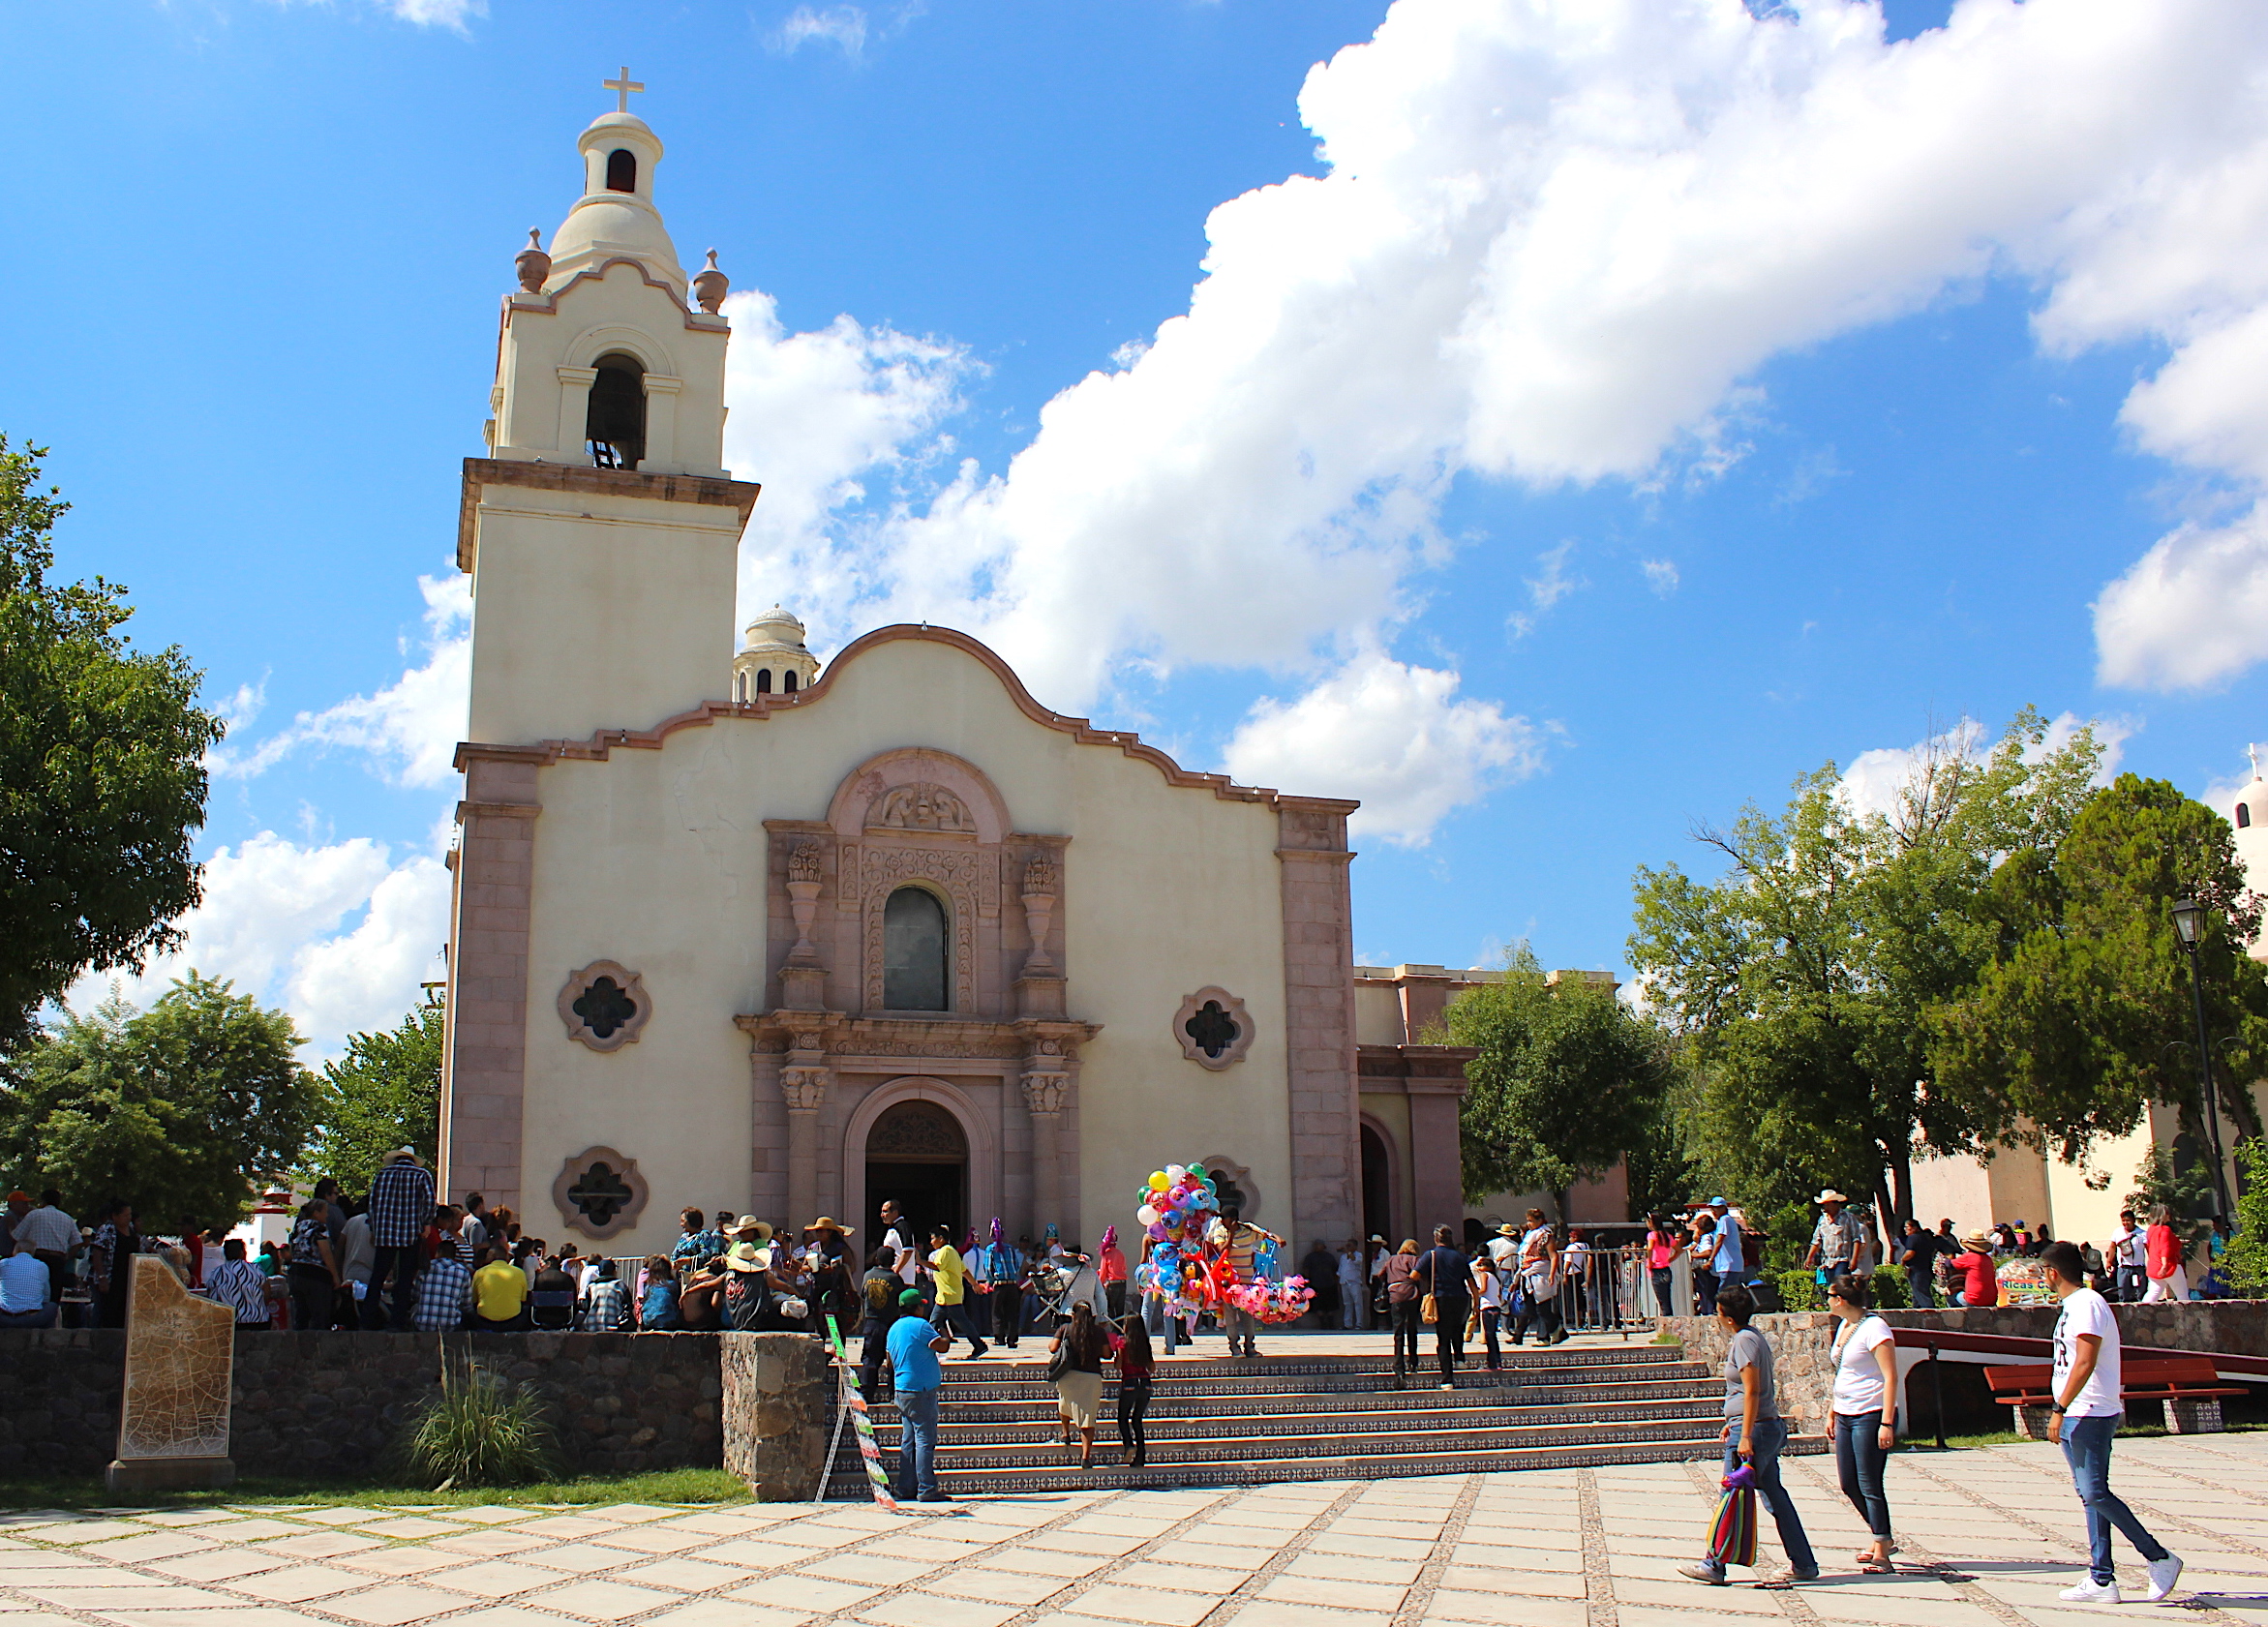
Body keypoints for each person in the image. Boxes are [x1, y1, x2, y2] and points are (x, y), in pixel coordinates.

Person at [2039, 1240, 2184, 1603]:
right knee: (2090, 1497)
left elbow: (2085, 1361)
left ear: (2053, 1272)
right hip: (2076, 1412)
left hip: (2090, 1411)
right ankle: (2102, 1578)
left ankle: (2158, 1556)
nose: (2043, 1277)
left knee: (2095, 1492)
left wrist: (2059, 1407)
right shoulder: (2073, 1306)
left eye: (2043, 1270)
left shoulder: (2088, 1304)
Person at [1678, 1281, 1817, 1586]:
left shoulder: (1743, 1341)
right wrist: (1736, 1420)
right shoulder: (1753, 1337)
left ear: (1727, 1317)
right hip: (1757, 1425)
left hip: (1753, 1430)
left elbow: (1752, 1390)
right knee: (1775, 1497)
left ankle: (1714, 1564)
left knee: (1730, 1493)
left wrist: (1744, 1435)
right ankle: (1803, 1563)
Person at [1825, 1273, 1897, 1573]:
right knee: (1848, 1483)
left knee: (1869, 1482)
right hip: (1844, 1413)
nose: (1826, 1301)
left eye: (1829, 1296)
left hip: (1870, 1413)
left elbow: (1890, 1375)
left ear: (1841, 1300)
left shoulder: (1875, 1328)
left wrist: (1887, 1422)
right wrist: (1832, 1409)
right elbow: (1844, 1372)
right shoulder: (1845, 1326)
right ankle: (1881, 1535)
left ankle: (1882, 1548)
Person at [888, 1287, 953, 1502]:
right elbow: (942, 1347)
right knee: (925, 1439)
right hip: (920, 1390)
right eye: (922, 1305)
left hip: (902, 1389)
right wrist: (945, 1333)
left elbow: (889, 1360)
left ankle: (905, 1488)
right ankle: (927, 1488)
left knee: (909, 1439)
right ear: (917, 1307)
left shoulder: (893, 1328)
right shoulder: (921, 1326)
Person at [367, 1149, 435, 1331]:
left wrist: (374, 1228)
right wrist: (425, 1223)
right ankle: (397, 1322)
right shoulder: (421, 1174)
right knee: (404, 1279)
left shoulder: (383, 1174)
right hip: (410, 1233)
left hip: (385, 1233)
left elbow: (372, 1203)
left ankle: (367, 1319)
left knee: (377, 1277)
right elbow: (429, 1201)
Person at [1049, 1299, 1111, 1468]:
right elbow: (1107, 1355)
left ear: (1073, 1315)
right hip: (1091, 1378)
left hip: (1068, 1376)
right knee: (1087, 1418)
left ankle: (1065, 1433)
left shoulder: (1066, 1329)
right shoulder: (1098, 1332)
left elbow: (1053, 1348)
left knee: (1064, 1404)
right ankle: (1085, 1456)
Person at [1416, 1226, 1469, 1389]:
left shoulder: (1431, 1255)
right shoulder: (1459, 1256)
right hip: (1460, 1298)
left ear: (1436, 1238)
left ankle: (1447, 1379)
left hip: (1441, 1298)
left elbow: (1414, 1275)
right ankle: (1459, 1359)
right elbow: (1470, 1280)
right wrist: (1476, 1301)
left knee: (1443, 1339)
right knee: (1457, 1329)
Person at [285, 1198, 341, 1334]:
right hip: (316, 1274)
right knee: (319, 1315)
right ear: (316, 1213)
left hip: (297, 1273)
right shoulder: (320, 1227)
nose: (327, 1215)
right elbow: (325, 1252)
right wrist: (335, 1276)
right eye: (325, 1212)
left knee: (301, 1314)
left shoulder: (299, 1226)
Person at [1216, 1209, 1267, 1358]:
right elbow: (1222, 1250)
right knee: (1230, 1316)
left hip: (1247, 1282)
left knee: (1248, 1315)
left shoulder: (1248, 1230)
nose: (1221, 1221)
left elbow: (1265, 1235)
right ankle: (1234, 1346)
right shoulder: (1220, 1232)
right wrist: (1231, 1234)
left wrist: (1277, 1239)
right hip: (1228, 1282)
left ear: (1232, 1219)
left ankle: (1250, 1346)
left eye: (1224, 1218)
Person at [1112, 1311, 1156, 1468]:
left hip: (1129, 1381)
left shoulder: (1123, 1342)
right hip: (1145, 1382)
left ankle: (1129, 1444)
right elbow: (1152, 1368)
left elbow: (1118, 1365)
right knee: (1137, 1420)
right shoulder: (1145, 1343)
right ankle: (1141, 1456)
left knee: (1123, 1418)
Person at [1515, 1209, 1564, 1346]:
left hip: (1540, 1273)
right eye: (1528, 1221)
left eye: (1531, 1221)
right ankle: (1556, 1332)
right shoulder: (1530, 1236)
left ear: (1540, 1220)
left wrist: (1552, 1274)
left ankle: (1545, 1336)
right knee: (1530, 1307)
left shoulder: (1546, 1235)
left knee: (1543, 1307)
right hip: (1528, 1273)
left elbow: (1553, 1256)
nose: (1529, 1224)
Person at [861, 1247, 902, 1399]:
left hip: (871, 1323)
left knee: (870, 1359)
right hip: (891, 1324)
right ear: (893, 1261)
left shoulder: (867, 1275)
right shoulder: (895, 1279)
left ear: (876, 1259)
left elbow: (863, 1296)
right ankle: (894, 1394)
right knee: (893, 1360)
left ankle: (867, 1393)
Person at [411, 1229, 473, 1333]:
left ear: (438, 1252)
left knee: (415, 1308)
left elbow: (415, 1295)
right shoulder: (463, 1272)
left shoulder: (425, 1268)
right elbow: (466, 1303)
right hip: (450, 1326)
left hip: (422, 1325)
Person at [90, 1200, 139, 1329]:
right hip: (112, 1278)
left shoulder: (131, 1229)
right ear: (115, 1216)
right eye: (125, 1215)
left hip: (128, 1278)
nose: (128, 1218)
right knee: (109, 1312)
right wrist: (102, 1277)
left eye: (130, 1215)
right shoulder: (107, 1230)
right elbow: (97, 1254)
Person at [205, 1238, 272, 1329]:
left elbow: (210, 1295)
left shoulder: (217, 1272)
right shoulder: (256, 1269)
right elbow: (267, 1292)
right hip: (258, 1321)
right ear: (242, 1253)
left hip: (228, 1323)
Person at [1803, 1190, 1864, 1287]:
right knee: (1831, 1287)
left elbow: (1856, 1239)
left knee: (1839, 1286)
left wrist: (1854, 1259)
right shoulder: (1822, 1220)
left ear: (1835, 1204)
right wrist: (1810, 1257)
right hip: (1827, 1262)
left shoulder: (1848, 1218)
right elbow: (1816, 1240)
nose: (1825, 1207)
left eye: (1827, 1204)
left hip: (1843, 1260)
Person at [977, 1228, 1026, 1347]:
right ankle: (1012, 1338)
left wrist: (990, 1281)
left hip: (999, 1284)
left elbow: (988, 1268)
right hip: (1012, 1283)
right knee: (1012, 1312)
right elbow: (1016, 1265)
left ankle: (999, 1338)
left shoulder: (991, 1249)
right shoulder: (1010, 1248)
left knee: (997, 1312)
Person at [1384, 1239, 1423, 1385]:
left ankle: (1399, 1367)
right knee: (1412, 1328)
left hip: (1395, 1296)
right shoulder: (1414, 1260)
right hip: (1411, 1294)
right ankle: (1413, 1360)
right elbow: (1418, 1274)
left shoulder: (1391, 1260)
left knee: (1398, 1332)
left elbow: (1381, 1274)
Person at [471, 1244, 531, 1331]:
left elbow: (474, 1300)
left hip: (484, 1322)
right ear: (506, 1257)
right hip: (513, 1322)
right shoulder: (519, 1272)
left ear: (490, 1257)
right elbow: (523, 1300)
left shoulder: (480, 1272)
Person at [0, 1238, 55, 1329]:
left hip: (4, 1318)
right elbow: (46, 1297)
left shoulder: (4, 1263)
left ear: (15, 1250)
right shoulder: (42, 1266)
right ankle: (43, 1339)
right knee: (52, 1307)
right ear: (33, 1252)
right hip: (30, 1319)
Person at [1471, 1238, 1506, 1371]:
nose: (1479, 1268)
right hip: (1495, 1307)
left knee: (1489, 1335)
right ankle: (1494, 1362)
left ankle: (1494, 1363)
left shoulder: (1484, 1275)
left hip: (1487, 1307)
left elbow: (1483, 1289)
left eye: (1481, 1265)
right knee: (1492, 1335)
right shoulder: (1496, 1278)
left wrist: (1475, 1293)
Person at [2142, 1206, 2186, 1302]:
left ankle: (2140, 1312)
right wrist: (2165, 1265)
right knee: (2182, 1295)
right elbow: (2164, 1247)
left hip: (2154, 1266)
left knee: (2153, 1293)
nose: (2169, 1215)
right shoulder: (2165, 1230)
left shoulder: (2151, 1229)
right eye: (2167, 1213)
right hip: (2169, 1265)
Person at [1947, 1231, 1998, 1309]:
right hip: (1991, 1299)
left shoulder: (1969, 1256)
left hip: (1975, 1299)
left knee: (1950, 1299)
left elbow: (1950, 1264)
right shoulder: (1988, 1259)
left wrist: (1942, 1258)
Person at [1895, 1219, 1939, 1310]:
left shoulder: (1913, 1238)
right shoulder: (1925, 1238)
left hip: (1917, 1270)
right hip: (1926, 1269)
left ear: (1914, 1228)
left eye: (1907, 1227)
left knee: (1923, 1296)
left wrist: (1902, 1260)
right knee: (1917, 1296)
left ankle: (1932, 1316)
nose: (1905, 1229)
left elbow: (1910, 1253)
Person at [579, 1257, 628, 1330]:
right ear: (614, 1272)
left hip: (592, 1327)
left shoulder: (591, 1286)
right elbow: (628, 1306)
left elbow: (585, 1307)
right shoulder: (619, 1284)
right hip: (614, 1327)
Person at [1646, 1214, 1679, 1316]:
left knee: (1661, 1300)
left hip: (1656, 1269)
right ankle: (1669, 1318)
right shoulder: (1667, 1236)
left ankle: (1666, 1321)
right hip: (1666, 1268)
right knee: (1667, 1299)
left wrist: (1650, 1261)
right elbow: (1679, 1250)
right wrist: (1669, 1259)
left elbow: (1650, 1248)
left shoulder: (1652, 1235)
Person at [1301, 1239, 1340, 1329]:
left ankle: (1331, 1323)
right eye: (1316, 1245)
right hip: (1316, 1285)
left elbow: (1335, 1269)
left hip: (1330, 1284)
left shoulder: (1329, 1256)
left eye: (1318, 1245)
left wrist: (1335, 1282)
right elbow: (1306, 1270)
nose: (1316, 1247)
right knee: (1318, 1307)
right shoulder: (1310, 1257)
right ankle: (1322, 1324)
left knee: (1331, 1306)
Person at [672, 1207, 725, 1272]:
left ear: (692, 1221)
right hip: (681, 1275)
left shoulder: (703, 1235)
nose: (681, 1224)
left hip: (696, 1274)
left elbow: (706, 1255)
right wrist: (673, 1263)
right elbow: (674, 1254)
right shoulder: (684, 1237)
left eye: (683, 1221)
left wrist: (689, 1261)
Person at [529, 1253, 576, 1328]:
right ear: (559, 1265)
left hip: (540, 1316)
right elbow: (574, 1301)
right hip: (563, 1317)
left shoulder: (539, 1277)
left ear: (548, 1264)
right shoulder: (567, 1278)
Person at [1687, 1213, 1720, 1318]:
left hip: (1704, 1269)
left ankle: (1707, 1313)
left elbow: (1708, 1252)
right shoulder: (1714, 1235)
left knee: (1706, 1292)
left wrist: (1695, 1255)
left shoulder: (1706, 1237)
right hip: (1713, 1270)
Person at [2109, 1210, 2145, 1303]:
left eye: (2128, 1220)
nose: (2125, 1223)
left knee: (2140, 1293)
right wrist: (2109, 1261)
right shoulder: (2118, 1232)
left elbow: (2149, 1249)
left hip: (2138, 1268)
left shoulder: (2142, 1234)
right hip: (2124, 1268)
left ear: (2133, 1220)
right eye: (2123, 1221)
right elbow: (2112, 1247)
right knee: (2123, 1292)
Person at [1097, 1227, 1130, 1321]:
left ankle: (1113, 1332)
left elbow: (1103, 1273)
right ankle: (1120, 1331)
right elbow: (1123, 1268)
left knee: (1110, 1310)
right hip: (1122, 1283)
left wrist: (1100, 1284)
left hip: (1112, 1285)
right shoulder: (1120, 1253)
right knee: (1120, 1310)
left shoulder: (1106, 1255)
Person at [1337, 1239, 1366, 1331]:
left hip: (1354, 1282)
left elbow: (1356, 1261)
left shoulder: (1358, 1255)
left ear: (1355, 1247)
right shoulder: (1343, 1257)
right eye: (1347, 1246)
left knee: (1357, 1303)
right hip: (1344, 1282)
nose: (1348, 1247)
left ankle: (1359, 1323)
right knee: (1347, 1304)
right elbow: (1340, 1270)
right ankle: (1347, 1323)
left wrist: (1348, 1253)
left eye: (1350, 1246)